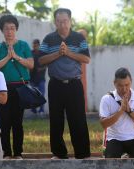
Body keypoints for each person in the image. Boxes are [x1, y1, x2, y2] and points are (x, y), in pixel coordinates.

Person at [39, 8, 91, 159]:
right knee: (56, 120)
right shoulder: (49, 39)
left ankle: (82, 154)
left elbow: (86, 59)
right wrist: (58, 53)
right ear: (55, 22)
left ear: (70, 21)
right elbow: (41, 60)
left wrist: (68, 52)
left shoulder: (78, 38)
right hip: (55, 84)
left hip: (74, 84)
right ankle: (59, 153)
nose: (63, 24)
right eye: (59, 21)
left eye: (65, 21)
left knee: (78, 119)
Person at [0, 15, 34, 159]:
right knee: (4, 121)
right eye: (6, 28)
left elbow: (31, 64)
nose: (9, 31)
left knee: (17, 122)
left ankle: (18, 152)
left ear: (16, 29)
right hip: (2, 89)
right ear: (2, 30)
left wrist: (16, 57)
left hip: (20, 88)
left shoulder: (23, 45)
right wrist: (8, 58)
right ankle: (6, 152)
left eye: (12, 28)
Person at [99, 67, 134, 158]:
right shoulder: (106, 99)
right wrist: (121, 111)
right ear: (114, 84)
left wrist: (129, 111)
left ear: (131, 82)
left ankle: (128, 156)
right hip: (114, 138)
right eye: (120, 85)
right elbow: (104, 124)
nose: (124, 89)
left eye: (127, 85)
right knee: (110, 160)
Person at [30, 39, 46, 115]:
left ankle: (41, 110)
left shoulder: (42, 53)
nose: (34, 46)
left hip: (41, 78)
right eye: (33, 45)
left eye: (36, 45)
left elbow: (47, 64)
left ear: (39, 45)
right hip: (32, 78)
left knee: (41, 94)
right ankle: (33, 110)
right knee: (32, 94)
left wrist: (41, 68)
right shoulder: (30, 53)